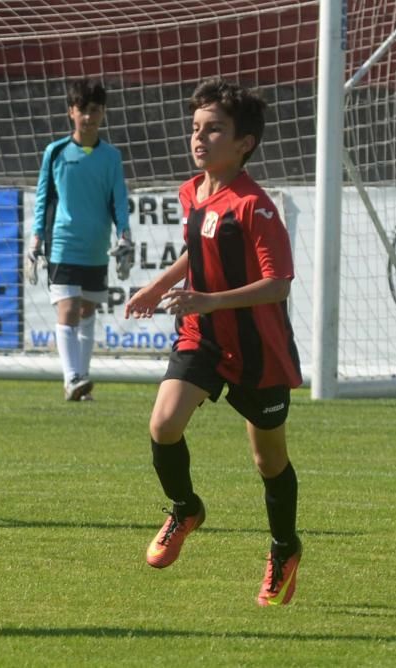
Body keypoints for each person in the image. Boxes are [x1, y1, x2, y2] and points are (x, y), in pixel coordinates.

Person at [124, 78, 303, 606]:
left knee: (268, 462)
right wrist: (158, 286)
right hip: (202, 338)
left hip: (257, 351)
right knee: (163, 424)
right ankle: (185, 507)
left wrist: (208, 300)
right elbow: (197, 251)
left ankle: (284, 548)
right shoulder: (191, 191)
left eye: (214, 129)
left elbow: (278, 284)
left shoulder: (256, 206)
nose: (199, 138)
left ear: (244, 142)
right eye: (195, 128)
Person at [28, 78, 133, 401]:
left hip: (96, 246)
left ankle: (81, 379)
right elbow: (43, 197)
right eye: (83, 110)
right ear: (71, 112)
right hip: (63, 243)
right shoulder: (56, 151)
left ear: (103, 113)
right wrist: (35, 240)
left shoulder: (111, 157)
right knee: (69, 308)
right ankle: (71, 377)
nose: (89, 117)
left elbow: (118, 199)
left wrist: (125, 236)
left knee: (88, 310)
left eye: (96, 111)